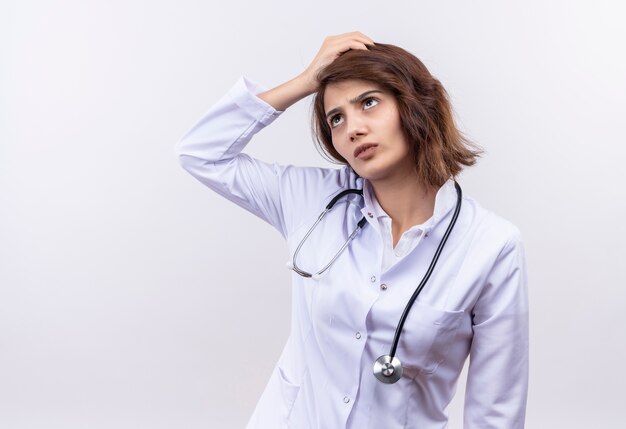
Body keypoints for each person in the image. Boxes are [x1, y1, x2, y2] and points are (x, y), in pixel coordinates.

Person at [176, 32, 528, 429]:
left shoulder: (492, 246)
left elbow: (495, 412)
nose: (352, 128)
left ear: (416, 105)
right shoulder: (309, 200)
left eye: (369, 103)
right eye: (336, 118)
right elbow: (200, 153)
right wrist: (307, 81)